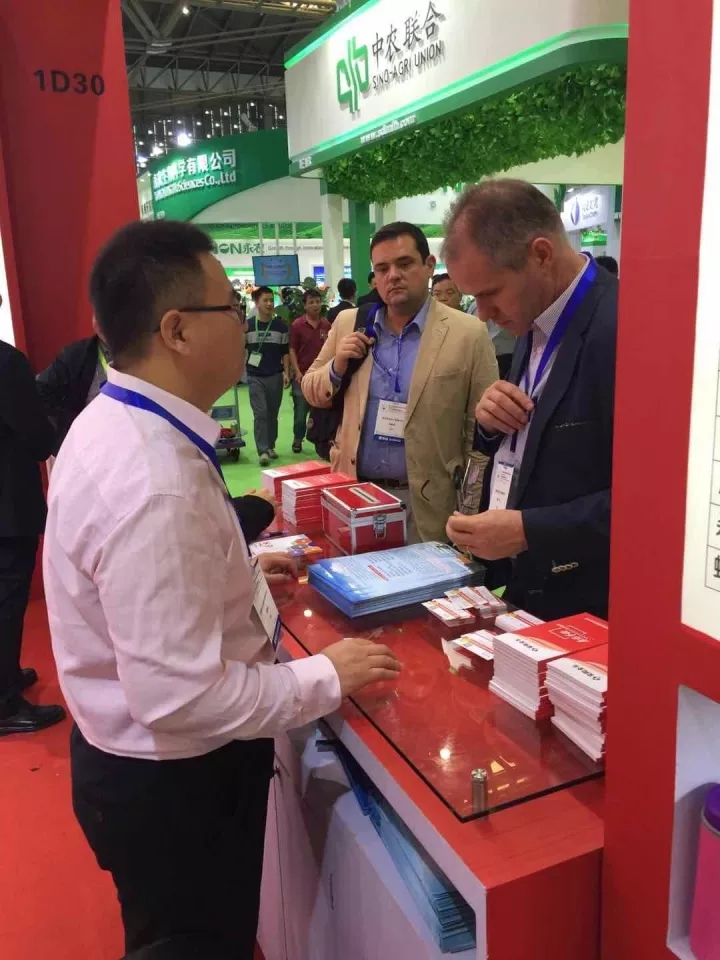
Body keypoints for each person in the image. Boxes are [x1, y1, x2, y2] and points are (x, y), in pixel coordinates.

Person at [44, 219, 401, 958]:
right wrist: (321, 677)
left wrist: (231, 576)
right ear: (177, 330)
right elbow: (178, 699)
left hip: (140, 769)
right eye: (230, 310)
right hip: (176, 784)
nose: (245, 324)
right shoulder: (155, 482)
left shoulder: (120, 421)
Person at [442, 180, 617, 620]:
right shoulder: (533, 318)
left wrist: (530, 531)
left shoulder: (623, 327)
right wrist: (491, 426)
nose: (483, 314)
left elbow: (659, 500)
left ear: (541, 255)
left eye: (489, 293)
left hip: (595, 608)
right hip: (531, 596)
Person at [302, 222, 498, 543]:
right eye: (382, 269)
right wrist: (338, 366)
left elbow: (480, 432)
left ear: (429, 265)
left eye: (404, 264)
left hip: (429, 505)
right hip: (356, 495)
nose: (393, 275)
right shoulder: (350, 323)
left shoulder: (468, 333)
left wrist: (471, 508)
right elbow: (311, 388)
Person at [37, 321, 275, 542]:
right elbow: (182, 538)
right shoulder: (140, 473)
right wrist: (253, 512)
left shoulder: (156, 424)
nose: (242, 326)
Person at [0, 295, 66, 736]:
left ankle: (6, 675)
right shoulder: (7, 363)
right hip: (7, 506)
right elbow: (38, 437)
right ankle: (4, 702)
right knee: (7, 599)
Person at [245, 285, 290, 466]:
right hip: (254, 376)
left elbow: (285, 352)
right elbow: (241, 350)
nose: (270, 304)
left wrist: (286, 372)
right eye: (265, 300)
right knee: (261, 413)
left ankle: (270, 445)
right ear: (257, 303)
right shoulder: (248, 326)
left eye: (271, 300)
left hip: (275, 375)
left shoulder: (280, 326)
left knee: (272, 413)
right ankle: (262, 450)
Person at [289, 289, 330, 454]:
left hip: (321, 377)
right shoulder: (297, 325)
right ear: (305, 305)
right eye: (311, 302)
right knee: (300, 413)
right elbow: (292, 349)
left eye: (317, 302)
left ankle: (319, 441)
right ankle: (298, 439)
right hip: (302, 377)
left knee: (321, 412)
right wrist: (297, 371)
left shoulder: (326, 325)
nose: (315, 305)